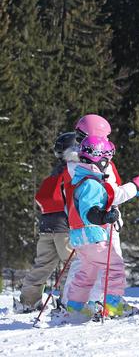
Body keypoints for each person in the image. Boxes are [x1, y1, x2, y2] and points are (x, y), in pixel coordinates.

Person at [62, 114, 139, 306]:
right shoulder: (96, 165)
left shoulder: (77, 163)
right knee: (113, 265)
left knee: (85, 267)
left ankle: (73, 304)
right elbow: (111, 194)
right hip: (99, 225)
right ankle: (110, 303)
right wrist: (134, 187)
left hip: (79, 227)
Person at [13, 133, 76, 313]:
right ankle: (68, 302)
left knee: (42, 265)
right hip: (65, 226)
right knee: (72, 265)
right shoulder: (73, 171)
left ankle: (28, 301)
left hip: (47, 225)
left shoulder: (55, 171)